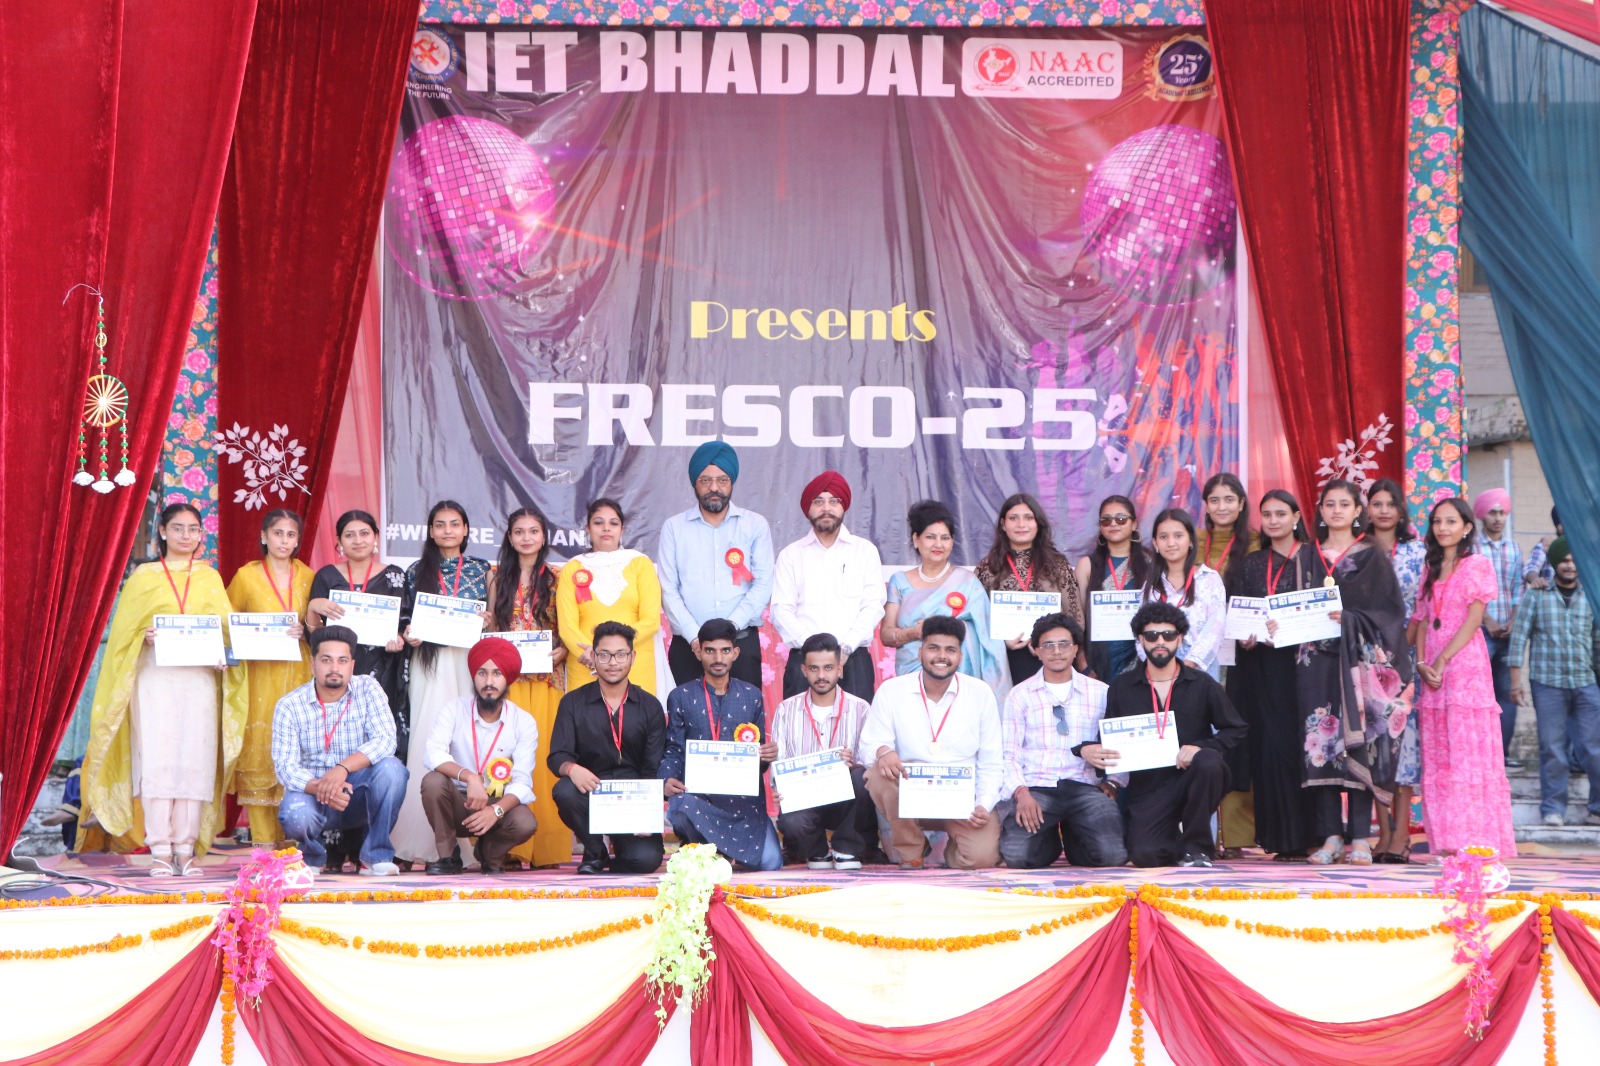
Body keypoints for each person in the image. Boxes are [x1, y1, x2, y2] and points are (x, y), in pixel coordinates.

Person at [79, 504, 247, 875]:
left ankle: (185, 849)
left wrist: (223, 655)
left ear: (201, 534)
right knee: (159, 760)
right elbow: (123, 635)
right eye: (178, 528)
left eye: (193, 529)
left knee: (195, 760)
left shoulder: (210, 579)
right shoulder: (143, 577)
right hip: (154, 680)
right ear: (163, 532)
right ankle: (159, 849)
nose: (186, 535)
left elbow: (226, 632)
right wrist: (144, 635)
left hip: (199, 681)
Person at [1301, 479, 1413, 866]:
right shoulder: (1306, 555)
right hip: (1313, 661)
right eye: (1329, 504)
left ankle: (1361, 837)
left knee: (1360, 741)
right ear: (1320, 510)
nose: (1336, 510)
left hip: (1359, 665)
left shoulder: (1371, 555)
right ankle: (1331, 837)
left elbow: (1390, 612)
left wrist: (1349, 618)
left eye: (1344, 504)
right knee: (1319, 745)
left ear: (1356, 511)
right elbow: (1287, 603)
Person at [1088, 602, 1246, 867]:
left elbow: (1236, 728)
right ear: (1140, 640)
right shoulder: (1122, 687)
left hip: (1194, 777)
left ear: (1180, 639)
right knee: (1145, 855)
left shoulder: (1202, 683)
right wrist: (1110, 778)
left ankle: (1197, 848)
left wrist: (1202, 747)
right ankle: (1176, 838)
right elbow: (1112, 739)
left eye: (1168, 635)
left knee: (1208, 761)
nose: (1160, 641)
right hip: (1150, 787)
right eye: (1151, 635)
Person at [1413, 498, 1517, 857]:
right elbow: (1423, 619)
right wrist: (1422, 661)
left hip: (1464, 665)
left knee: (1466, 753)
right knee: (1439, 753)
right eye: (1437, 522)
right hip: (1432, 667)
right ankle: (1445, 843)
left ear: (1467, 527)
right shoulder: (1430, 567)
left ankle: (1475, 841)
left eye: (1451, 521)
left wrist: (1443, 660)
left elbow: (1474, 620)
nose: (1442, 528)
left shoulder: (1477, 565)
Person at [393, 500, 494, 865]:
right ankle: (415, 840)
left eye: (454, 524)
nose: (448, 530)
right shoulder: (415, 571)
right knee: (429, 735)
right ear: (431, 531)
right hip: (430, 662)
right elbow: (405, 621)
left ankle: (468, 842)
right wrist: (409, 633)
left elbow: (494, 618)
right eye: (440, 524)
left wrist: (487, 620)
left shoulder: (483, 569)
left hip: (469, 662)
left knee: (467, 739)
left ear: (466, 530)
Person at [859, 615, 1004, 870]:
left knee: (980, 859)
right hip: (910, 796)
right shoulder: (892, 691)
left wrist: (983, 804)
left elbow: (991, 760)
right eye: (934, 648)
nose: (942, 656)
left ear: (960, 655)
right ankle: (912, 848)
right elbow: (869, 745)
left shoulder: (980, 693)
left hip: (962, 800)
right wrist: (883, 751)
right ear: (920, 652)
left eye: (950, 650)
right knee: (878, 774)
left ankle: (955, 849)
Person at [1228, 491, 1320, 860]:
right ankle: (1282, 839)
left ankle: (1315, 834)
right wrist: (1245, 638)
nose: (1273, 521)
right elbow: (1239, 615)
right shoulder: (1252, 563)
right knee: (1270, 749)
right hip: (1263, 670)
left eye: (1281, 513)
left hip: (1307, 668)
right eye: (1266, 514)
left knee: (1306, 747)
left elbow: (1327, 611)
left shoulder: (1315, 559)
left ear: (1296, 517)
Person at [272, 625, 408, 875]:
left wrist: (342, 769)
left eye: (342, 660)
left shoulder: (368, 689)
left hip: (355, 794)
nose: (335, 668)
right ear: (313, 665)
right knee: (295, 814)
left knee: (392, 770)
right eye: (326, 660)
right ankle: (312, 857)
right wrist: (323, 788)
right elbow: (285, 768)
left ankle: (375, 856)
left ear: (352, 665)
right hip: (313, 795)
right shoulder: (290, 706)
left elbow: (386, 740)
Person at [998, 614, 1126, 869]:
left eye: (1064, 644)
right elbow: (1009, 753)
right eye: (1048, 645)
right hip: (1037, 789)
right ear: (1037, 650)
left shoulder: (1101, 692)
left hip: (1085, 787)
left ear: (1076, 648)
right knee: (1017, 856)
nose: (1057, 651)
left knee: (1111, 856)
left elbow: (1118, 743)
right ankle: (1050, 841)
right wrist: (1021, 793)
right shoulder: (1019, 695)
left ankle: (1075, 835)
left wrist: (1113, 782)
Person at [660, 619, 783, 870]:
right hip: (699, 796)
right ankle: (707, 849)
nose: (718, 658)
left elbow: (757, 758)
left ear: (735, 653)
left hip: (742, 802)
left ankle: (712, 852)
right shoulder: (681, 696)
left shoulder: (751, 695)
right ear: (698, 652)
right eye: (710, 650)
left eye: (725, 650)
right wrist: (666, 779)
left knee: (771, 862)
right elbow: (674, 748)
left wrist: (764, 756)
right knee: (679, 807)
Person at [487, 506, 571, 869]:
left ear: (543, 537)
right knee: (504, 759)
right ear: (509, 537)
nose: (526, 538)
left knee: (542, 760)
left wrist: (563, 650)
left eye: (533, 531)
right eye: (519, 531)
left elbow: (567, 628)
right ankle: (506, 845)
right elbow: (492, 629)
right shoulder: (495, 577)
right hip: (509, 683)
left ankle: (546, 849)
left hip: (547, 680)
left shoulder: (559, 578)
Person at [548, 621, 667, 875]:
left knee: (645, 861)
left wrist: (648, 814)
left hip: (633, 799)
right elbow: (557, 755)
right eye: (604, 655)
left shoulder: (650, 706)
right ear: (593, 656)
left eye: (621, 655)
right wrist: (572, 769)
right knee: (564, 790)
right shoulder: (572, 702)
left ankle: (620, 855)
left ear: (633, 657)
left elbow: (653, 768)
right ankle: (595, 850)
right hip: (591, 790)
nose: (613, 663)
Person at [226, 508, 314, 847]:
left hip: (298, 676)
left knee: (297, 753)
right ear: (264, 536)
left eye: (291, 535)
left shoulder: (309, 577)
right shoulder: (246, 577)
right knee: (261, 754)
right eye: (278, 533)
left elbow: (320, 626)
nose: (284, 541)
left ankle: (294, 847)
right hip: (259, 679)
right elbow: (228, 623)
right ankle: (263, 847)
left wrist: (306, 629)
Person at [658, 441, 774, 687]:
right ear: (694, 483)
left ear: (732, 483)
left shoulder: (755, 525)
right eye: (705, 480)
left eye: (722, 480)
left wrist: (730, 631)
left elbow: (763, 584)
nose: (714, 488)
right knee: (685, 712)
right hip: (689, 647)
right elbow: (668, 589)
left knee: (744, 714)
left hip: (740, 644)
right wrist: (695, 638)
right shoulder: (674, 528)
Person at [419, 636, 538, 874]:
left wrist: (495, 810)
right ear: (473, 676)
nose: (489, 682)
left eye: (497, 674)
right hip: (457, 801)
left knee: (525, 822)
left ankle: (489, 853)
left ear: (508, 678)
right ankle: (448, 856)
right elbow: (432, 753)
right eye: (482, 673)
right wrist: (470, 777)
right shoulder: (454, 710)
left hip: (496, 805)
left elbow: (523, 781)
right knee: (432, 781)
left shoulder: (523, 721)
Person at [770, 471, 885, 701]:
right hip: (804, 661)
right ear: (808, 509)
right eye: (818, 501)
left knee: (856, 724)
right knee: (799, 724)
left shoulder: (865, 551)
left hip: (852, 659)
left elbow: (873, 606)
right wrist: (814, 651)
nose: (826, 508)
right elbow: (781, 610)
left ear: (843, 507)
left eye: (834, 501)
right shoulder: (791, 555)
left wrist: (845, 648)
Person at [1510, 539, 1600, 828]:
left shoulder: (1591, 595)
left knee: (1594, 748)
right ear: (1554, 563)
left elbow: (1597, 642)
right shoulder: (1536, 596)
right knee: (1552, 748)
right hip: (1547, 684)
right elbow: (1518, 639)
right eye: (1564, 560)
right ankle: (1553, 809)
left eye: (1574, 560)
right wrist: (1515, 683)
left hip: (1585, 682)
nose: (1570, 565)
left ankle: (1597, 809)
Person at [769, 633, 877, 869]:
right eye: (814, 668)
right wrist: (779, 788)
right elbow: (779, 762)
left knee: (863, 778)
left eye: (828, 668)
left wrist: (853, 762)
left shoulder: (861, 708)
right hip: (805, 798)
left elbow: (870, 761)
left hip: (846, 801)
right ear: (803, 670)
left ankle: (847, 848)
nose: (821, 676)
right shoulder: (786, 710)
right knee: (791, 820)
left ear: (840, 670)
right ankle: (818, 852)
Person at [881, 499, 1009, 695]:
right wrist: (915, 632)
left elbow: (988, 635)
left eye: (945, 538)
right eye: (930, 537)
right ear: (916, 539)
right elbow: (886, 634)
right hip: (910, 678)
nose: (938, 544)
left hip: (958, 679)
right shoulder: (899, 581)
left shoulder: (967, 582)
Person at [306, 509, 408, 750]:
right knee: (336, 736)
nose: (358, 540)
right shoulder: (326, 576)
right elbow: (314, 637)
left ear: (375, 537)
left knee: (379, 737)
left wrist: (400, 639)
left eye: (364, 533)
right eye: (349, 535)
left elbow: (405, 623)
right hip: (337, 669)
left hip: (384, 669)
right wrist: (312, 608)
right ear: (339, 541)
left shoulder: (394, 575)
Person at [1364, 478, 1425, 862]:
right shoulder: (1359, 551)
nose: (1384, 510)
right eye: (1377, 504)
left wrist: (1403, 650)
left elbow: (1423, 607)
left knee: (1404, 748)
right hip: (1366, 659)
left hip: (1405, 659)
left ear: (1401, 511)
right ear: (1367, 510)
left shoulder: (1419, 552)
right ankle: (1383, 833)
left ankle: (1402, 833)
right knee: (1375, 747)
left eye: (1391, 504)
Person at [556, 497, 664, 694]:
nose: (606, 528)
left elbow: (651, 621)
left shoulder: (640, 563)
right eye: (598, 523)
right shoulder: (573, 568)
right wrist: (594, 655)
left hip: (634, 664)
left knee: (635, 713)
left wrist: (613, 652)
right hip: (586, 663)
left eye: (613, 523)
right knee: (586, 713)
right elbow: (567, 626)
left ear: (622, 530)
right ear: (588, 529)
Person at [975, 493, 1085, 685]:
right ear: (1003, 524)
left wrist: (1051, 643)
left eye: (1028, 518)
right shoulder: (988, 568)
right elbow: (977, 622)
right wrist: (1000, 643)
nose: (1021, 524)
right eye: (1013, 518)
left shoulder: (1057, 565)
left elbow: (1075, 619)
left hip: (1052, 659)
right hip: (1003, 661)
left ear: (1038, 523)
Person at [1142, 508, 1226, 677]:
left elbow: (1215, 628)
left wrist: (1188, 664)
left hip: (1200, 668)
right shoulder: (1151, 586)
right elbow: (1140, 631)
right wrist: (1158, 664)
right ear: (1155, 544)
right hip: (1160, 667)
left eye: (1178, 536)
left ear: (1191, 541)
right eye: (1163, 537)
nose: (1171, 543)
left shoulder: (1209, 579)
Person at [1076, 495, 1150, 683]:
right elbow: (1078, 620)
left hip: (1142, 659)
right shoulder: (1087, 565)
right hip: (1097, 660)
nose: (1113, 524)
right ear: (1100, 527)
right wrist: (1083, 663)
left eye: (1121, 519)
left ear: (1134, 524)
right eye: (1106, 520)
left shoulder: (1151, 565)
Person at [1474, 488, 1524, 763]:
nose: (1497, 518)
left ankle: (1502, 754)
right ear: (1482, 515)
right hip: (1480, 632)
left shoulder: (1514, 548)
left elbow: (1518, 587)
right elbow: (1470, 590)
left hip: (1508, 631)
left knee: (1507, 693)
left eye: (1501, 513)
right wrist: (1487, 620)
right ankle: (1482, 754)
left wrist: (1514, 619)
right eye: (1492, 512)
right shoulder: (1472, 548)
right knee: (1480, 693)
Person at [1199, 473, 1258, 583]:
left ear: (1241, 504)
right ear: (1206, 506)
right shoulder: (1194, 542)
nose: (1221, 507)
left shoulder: (1255, 543)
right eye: (1214, 501)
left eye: (1229, 500)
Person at [1525, 507, 1563, 589]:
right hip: (1550, 595)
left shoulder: (1583, 549)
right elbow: (1531, 568)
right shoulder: (1545, 546)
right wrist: (1535, 580)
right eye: (1561, 522)